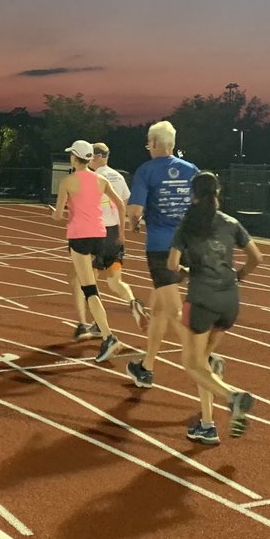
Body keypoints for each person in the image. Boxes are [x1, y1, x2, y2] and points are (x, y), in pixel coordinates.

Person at [168, 171, 262, 443]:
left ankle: (233, 397)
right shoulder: (231, 223)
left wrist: (187, 272)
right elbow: (257, 257)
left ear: (193, 195)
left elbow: (172, 265)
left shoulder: (187, 225)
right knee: (204, 362)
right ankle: (207, 425)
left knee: (191, 363)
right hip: (230, 300)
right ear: (217, 194)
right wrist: (238, 276)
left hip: (202, 300)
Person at [125, 120, 199, 389]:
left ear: (155, 143)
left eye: (148, 143)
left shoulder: (146, 171)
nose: (148, 148)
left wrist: (133, 225)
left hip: (161, 248)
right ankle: (147, 367)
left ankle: (204, 357)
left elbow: (135, 210)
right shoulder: (192, 170)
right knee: (158, 310)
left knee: (174, 310)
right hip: (189, 245)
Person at [53, 139, 128, 363]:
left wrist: (57, 214)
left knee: (90, 290)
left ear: (75, 158)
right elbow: (120, 204)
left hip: (79, 238)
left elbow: (58, 215)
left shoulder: (67, 181)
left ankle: (108, 337)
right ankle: (103, 331)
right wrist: (122, 232)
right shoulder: (102, 179)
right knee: (93, 286)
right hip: (100, 235)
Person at [69, 142, 149, 340]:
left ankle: (82, 323)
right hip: (114, 234)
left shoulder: (93, 179)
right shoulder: (119, 177)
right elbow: (127, 205)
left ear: (94, 157)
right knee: (115, 281)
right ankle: (132, 302)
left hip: (93, 232)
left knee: (83, 280)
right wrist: (128, 228)